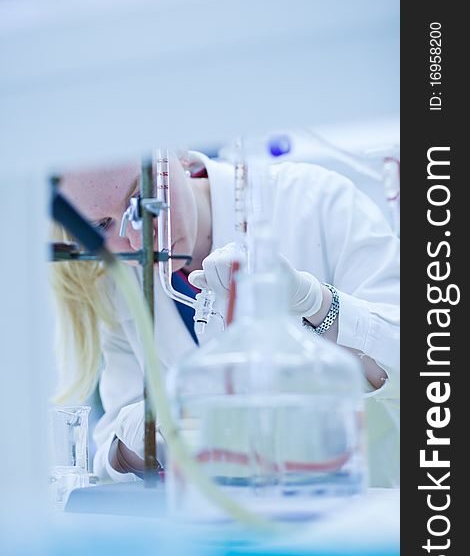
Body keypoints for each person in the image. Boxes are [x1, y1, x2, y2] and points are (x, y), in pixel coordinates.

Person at [51, 150, 400, 486]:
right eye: (101, 225)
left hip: (363, 506)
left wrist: (316, 303)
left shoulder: (316, 200)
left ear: (180, 149)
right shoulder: (116, 283)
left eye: (143, 199)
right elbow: (110, 446)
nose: (135, 236)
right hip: (215, 525)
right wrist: (140, 441)